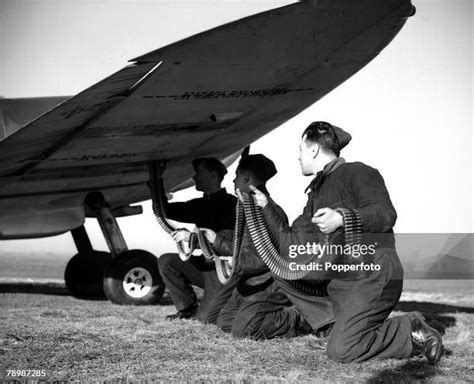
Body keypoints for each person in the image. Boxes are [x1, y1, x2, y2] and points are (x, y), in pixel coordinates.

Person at [250, 121, 443, 364]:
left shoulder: (359, 172)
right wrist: (266, 206)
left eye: (300, 149)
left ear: (313, 149)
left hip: (372, 273)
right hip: (342, 279)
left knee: (342, 351)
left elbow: (385, 214)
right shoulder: (315, 195)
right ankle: (335, 325)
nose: (298, 157)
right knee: (281, 269)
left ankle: (409, 326)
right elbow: (291, 244)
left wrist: (342, 217)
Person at [202, 154, 316, 339]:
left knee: (244, 331)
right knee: (225, 323)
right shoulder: (248, 208)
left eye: (237, 175)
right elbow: (244, 249)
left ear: (247, 178)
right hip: (250, 282)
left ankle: (299, 318)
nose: (233, 179)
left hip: (268, 285)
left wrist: (236, 264)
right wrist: (216, 240)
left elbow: (266, 258)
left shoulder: (270, 212)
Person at [158, 157, 237, 323]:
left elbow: (226, 242)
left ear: (213, 176)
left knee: (206, 320)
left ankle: (226, 301)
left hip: (221, 272)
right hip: (203, 267)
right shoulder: (200, 205)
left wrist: (191, 237)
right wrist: (156, 183)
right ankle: (187, 309)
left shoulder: (232, 205)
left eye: (198, 173)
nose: (194, 178)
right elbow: (165, 211)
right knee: (166, 261)